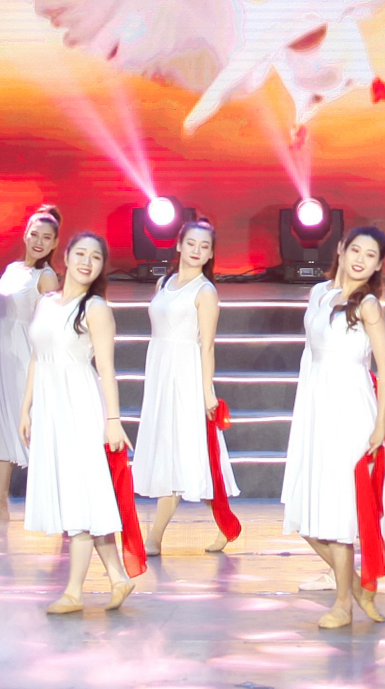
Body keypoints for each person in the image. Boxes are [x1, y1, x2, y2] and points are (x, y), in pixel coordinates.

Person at [282, 227, 385, 629]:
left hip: (351, 407)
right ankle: (356, 588)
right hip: (316, 405)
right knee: (306, 511)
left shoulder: (367, 305)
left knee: (339, 508)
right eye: (355, 250)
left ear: (378, 264)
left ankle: (343, 605)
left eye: (370, 255)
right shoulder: (319, 294)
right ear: (341, 250)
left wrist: (380, 424)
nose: (360, 259)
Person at [22, 232, 139, 614]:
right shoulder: (46, 302)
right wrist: (26, 408)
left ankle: (73, 592)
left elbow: (106, 369)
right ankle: (118, 577)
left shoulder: (96, 308)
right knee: (83, 496)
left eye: (96, 257)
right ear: (67, 257)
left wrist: (113, 420)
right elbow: (37, 357)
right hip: (50, 407)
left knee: (80, 494)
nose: (87, 262)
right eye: (81, 254)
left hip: (80, 405)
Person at [135, 219, 239, 555]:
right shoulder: (164, 283)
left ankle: (154, 537)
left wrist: (207, 391)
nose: (196, 250)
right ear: (179, 245)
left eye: (204, 246)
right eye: (191, 243)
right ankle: (226, 524)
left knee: (186, 453)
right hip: (161, 373)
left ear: (210, 254)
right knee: (175, 452)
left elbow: (206, 345)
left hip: (187, 376)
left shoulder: (205, 292)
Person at [0, 204, 60, 527]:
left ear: (54, 244)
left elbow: (52, 325)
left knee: (33, 431)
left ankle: (62, 506)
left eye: (46, 237)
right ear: (25, 235)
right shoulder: (12, 269)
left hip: (25, 359)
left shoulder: (45, 277)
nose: (38, 242)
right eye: (34, 234)